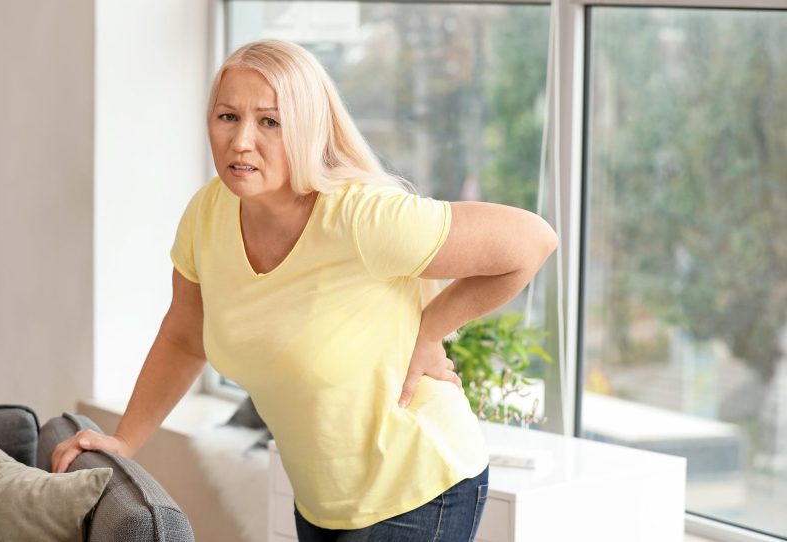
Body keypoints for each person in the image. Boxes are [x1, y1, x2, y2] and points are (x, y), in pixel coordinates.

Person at [52, 39, 558, 541]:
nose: (242, 141)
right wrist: (125, 439)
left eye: (269, 121)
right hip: (321, 502)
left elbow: (532, 241)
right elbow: (185, 336)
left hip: (420, 485)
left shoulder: (360, 217)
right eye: (227, 117)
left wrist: (431, 331)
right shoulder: (208, 215)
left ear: (308, 128)